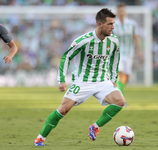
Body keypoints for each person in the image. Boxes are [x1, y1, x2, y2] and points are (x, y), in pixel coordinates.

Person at [34, 8, 125, 146]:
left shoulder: (114, 41)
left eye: (113, 24)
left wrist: (113, 79)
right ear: (100, 24)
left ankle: (95, 126)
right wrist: (62, 80)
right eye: (110, 24)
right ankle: (40, 137)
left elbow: (115, 59)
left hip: (102, 80)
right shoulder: (84, 40)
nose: (113, 27)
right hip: (83, 81)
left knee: (120, 101)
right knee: (63, 109)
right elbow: (66, 56)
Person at [113, 3, 143, 102]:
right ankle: (121, 98)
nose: (121, 12)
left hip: (129, 53)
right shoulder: (113, 25)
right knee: (119, 72)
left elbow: (136, 37)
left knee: (126, 76)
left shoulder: (132, 24)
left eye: (123, 10)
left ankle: (120, 91)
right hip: (117, 53)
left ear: (125, 11)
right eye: (119, 11)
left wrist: (140, 51)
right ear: (117, 12)